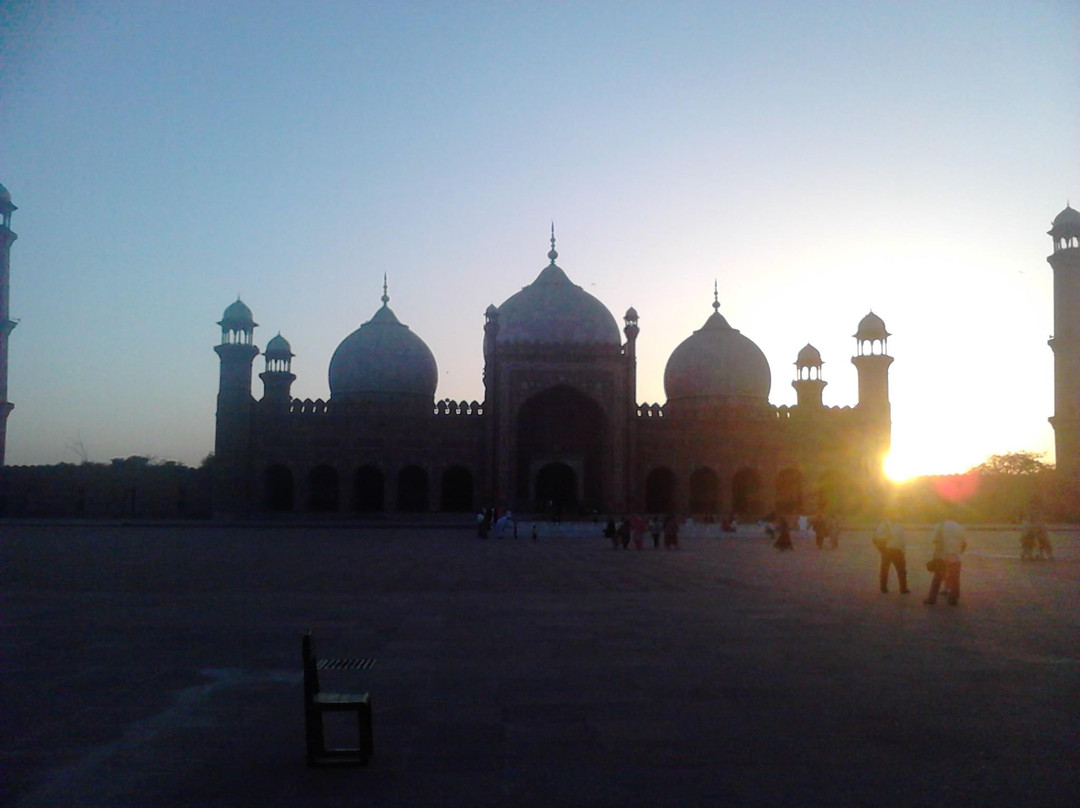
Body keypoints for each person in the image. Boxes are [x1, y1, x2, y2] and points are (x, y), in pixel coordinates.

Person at [925, 517, 967, 605]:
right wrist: (959, 553)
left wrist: (936, 556)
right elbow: (964, 543)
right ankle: (953, 599)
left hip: (942, 556)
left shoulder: (940, 526)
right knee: (955, 578)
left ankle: (932, 599)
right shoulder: (960, 527)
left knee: (937, 578)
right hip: (955, 556)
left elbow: (936, 541)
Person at [873, 518, 909, 594]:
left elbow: (902, 539)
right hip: (888, 550)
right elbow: (877, 538)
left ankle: (902, 588)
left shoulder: (896, 526)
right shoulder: (884, 526)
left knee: (899, 570)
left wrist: (902, 550)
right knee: (888, 570)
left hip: (896, 550)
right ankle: (900, 588)